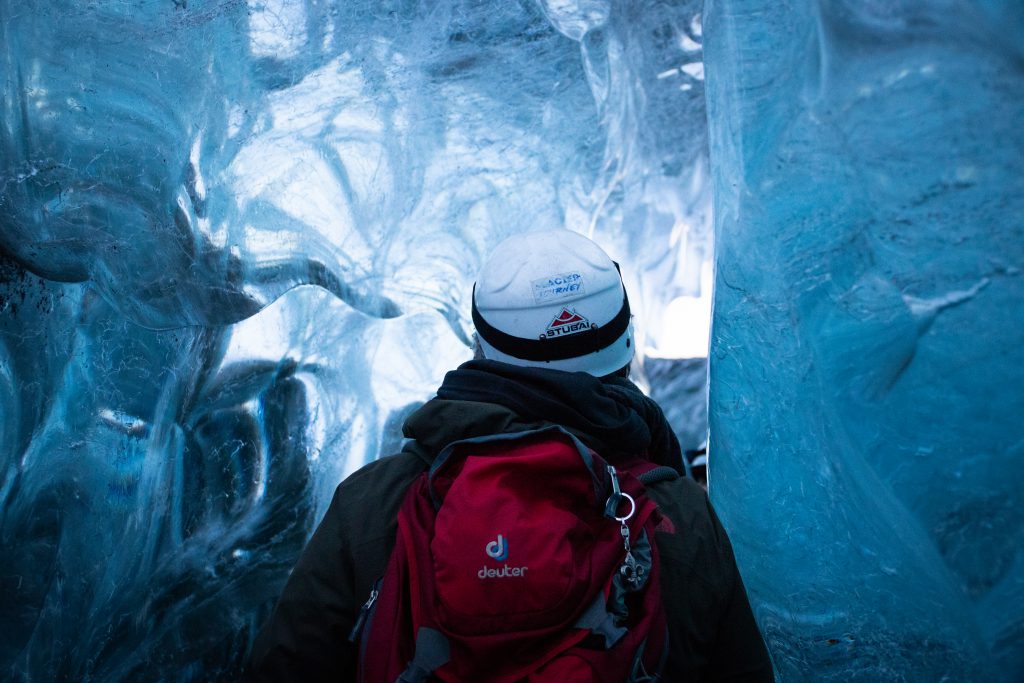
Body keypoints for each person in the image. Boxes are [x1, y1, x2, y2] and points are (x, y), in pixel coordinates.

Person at [245, 230, 773, 682]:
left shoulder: (377, 502)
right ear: (626, 342)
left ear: (483, 349)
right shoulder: (677, 512)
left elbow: (287, 665)